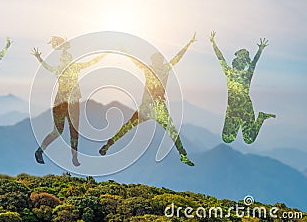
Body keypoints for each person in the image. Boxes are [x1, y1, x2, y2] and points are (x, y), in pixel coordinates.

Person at [99, 33, 197, 166]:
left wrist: (123, 50)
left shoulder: (149, 69)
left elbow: (135, 61)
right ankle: (182, 154)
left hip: (147, 106)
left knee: (127, 127)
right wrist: (189, 43)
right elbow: (177, 58)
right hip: (158, 107)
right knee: (172, 131)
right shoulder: (164, 69)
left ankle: (108, 145)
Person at [32, 36, 107, 166]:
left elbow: (48, 67)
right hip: (68, 103)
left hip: (62, 103)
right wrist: (105, 53)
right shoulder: (73, 67)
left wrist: (39, 58)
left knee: (63, 131)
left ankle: (68, 156)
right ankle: (71, 157)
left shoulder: (62, 68)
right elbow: (91, 62)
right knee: (70, 130)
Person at [210, 32, 275, 144]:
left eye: (241, 59)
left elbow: (253, 63)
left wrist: (260, 50)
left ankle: (261, 117)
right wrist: (213, 43)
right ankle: (258, 118)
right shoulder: (230, 72)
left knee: (248, 139)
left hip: (245, 108)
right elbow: (220, 58)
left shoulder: (244, 74)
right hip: (233, 109)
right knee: (227, 138)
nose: (237, 61)